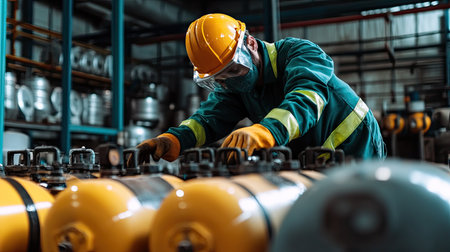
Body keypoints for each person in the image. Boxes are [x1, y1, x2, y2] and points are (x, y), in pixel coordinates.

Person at [135, 13, 386, 164]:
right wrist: (172, 140)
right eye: (219, 79)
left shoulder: (300, 53)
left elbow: (306, 99)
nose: (229, 81)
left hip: (355, 144)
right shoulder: (235, 85)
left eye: (234, 70)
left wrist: (265, 132)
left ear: (251, 44)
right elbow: (208, 120)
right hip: (314, 156)